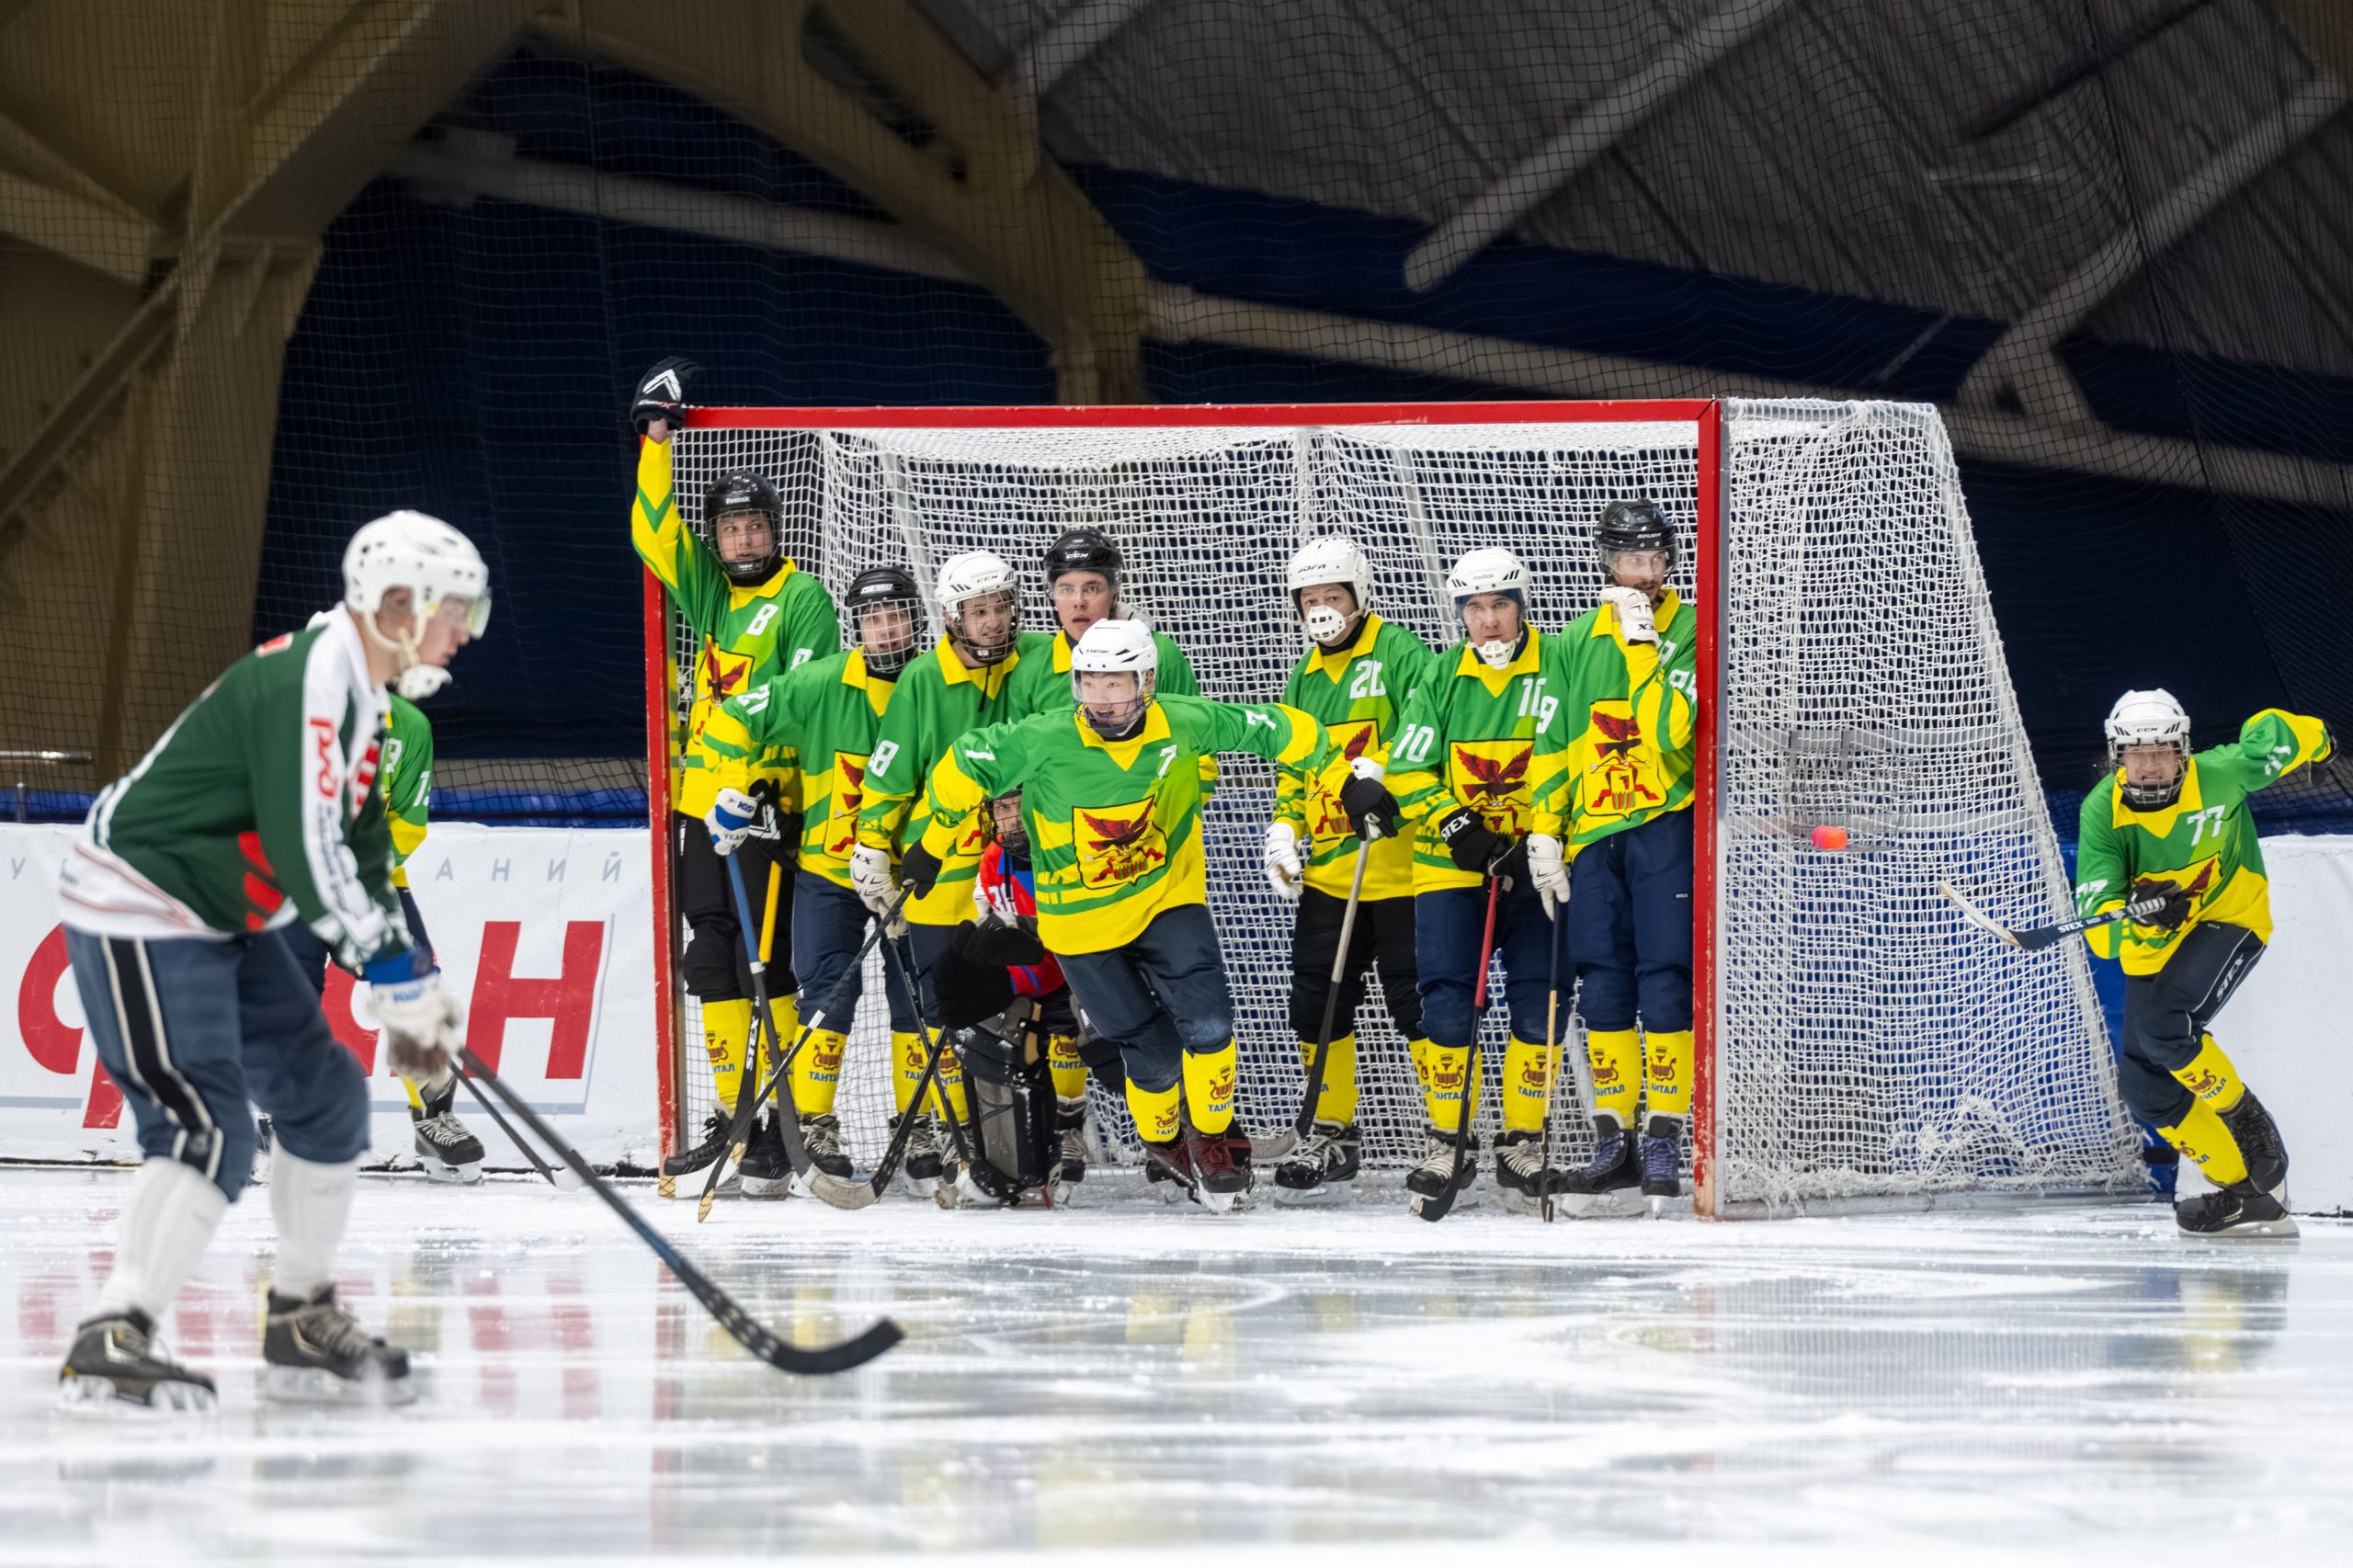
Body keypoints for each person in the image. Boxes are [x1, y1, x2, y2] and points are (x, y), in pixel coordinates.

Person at [52, 511, 486, 1411]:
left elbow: (363, 849)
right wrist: (388, 972)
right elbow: (305, 847)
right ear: (396, 604)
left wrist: (406, 971)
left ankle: (298, 1316)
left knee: (325, 1096)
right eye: (455, 611)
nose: (464, 634)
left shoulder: (368, 698)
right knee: (206, 1126)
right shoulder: (312, 681)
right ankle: (111, 1333)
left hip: (219, 913)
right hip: (141, 902)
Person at [906, 620, 1379, 1211]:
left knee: (1210, 1025)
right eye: (1090, 683)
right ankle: (1164, 1140)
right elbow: (963, 763)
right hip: (1079, 923)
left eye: (1116, 683)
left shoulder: (1184, 721)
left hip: (1164, 898)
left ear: (1147, 683)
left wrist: (1344, 782)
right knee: (1150, 1050)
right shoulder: (1042, 737)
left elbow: (1287, 729)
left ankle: (1212, 1139)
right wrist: (931, 844)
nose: (1102, 698)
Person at [630, 359, 839, 1174]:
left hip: (765, 806)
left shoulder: (802, 599)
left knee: (769, 961)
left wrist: (762, 787)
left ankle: (784, 1122)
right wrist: (656, 440)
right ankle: (736, 1115)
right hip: (700, 803)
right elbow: (655, 535)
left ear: (775, 531)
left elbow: (809, 697)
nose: (743, 540)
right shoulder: (713, 594)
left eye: (755, 527)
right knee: (713, 953)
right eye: (730, 530)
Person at [696, 566, 931, 1196]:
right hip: (830, 872)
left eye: (896, 615)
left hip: (912, 874)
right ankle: (815, 1125)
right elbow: (733, 716)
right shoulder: (822, 682)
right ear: (857, 627)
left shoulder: (936, 685)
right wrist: (732, 788)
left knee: (919, 996)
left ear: (916, 620)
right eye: (873, 619)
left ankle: (919, 1126)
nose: (885, 629)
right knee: (827, 993)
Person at [2075, 690, 2332, 1237]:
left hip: (2231, 915)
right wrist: (2137, 916)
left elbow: (2274, 733)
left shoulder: (2221, 774)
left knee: (2166, 1027)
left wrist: (2322, 742)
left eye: (2161, 751)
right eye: (2136, 753)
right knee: (2143, 1086)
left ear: (2182, 750)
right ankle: (2250, 1195)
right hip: (2157, 946)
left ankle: (2248, 1121)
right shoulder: (2101, 811)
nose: (2149, 764)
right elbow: (2100, 931)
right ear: (2117, 756)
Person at [850, 551, 1051, 1181]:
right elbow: (890, 771)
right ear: (951, 617)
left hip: (1014, 868)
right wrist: (871, 845)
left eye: (1000, 608)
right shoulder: (921, 680)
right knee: (942, 1007)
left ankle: (1022, 1138)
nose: (992, 622)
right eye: (978, 611)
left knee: (1025, 1003)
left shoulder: (1038, 661)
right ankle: (948, 1127)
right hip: (938, 869)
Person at [1383, 547, 1571, 1214]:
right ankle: (1449, 1142)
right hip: (1451, 865)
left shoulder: (1559, 665)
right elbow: (1405, 768)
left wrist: (1542, 834)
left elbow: (1573, 755)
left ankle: (1522, 1141)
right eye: (1474, 608)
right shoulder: (1440, 675)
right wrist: (1459, 826)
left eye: (1499, 606)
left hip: (1538, 864)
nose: (1488, 621)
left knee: (1541, 997)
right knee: (1446, 1001)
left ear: (1522, 606)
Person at [1260, 536, 1441, 1202]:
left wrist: (1384, 766)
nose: (1321, 609)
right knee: (1316, 999)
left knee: (1415, 1002)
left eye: (1332, 596)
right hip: (1334, 873)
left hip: (1402, 870)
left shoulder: (1400, 652)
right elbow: (1293, 764)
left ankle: (1447, 1135)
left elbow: (1428, 726)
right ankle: (1332, 1132)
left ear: (1359, 596)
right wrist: (1286, 827)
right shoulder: (1303, 677)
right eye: (1309, 598)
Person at [1535, 498, 1699, 1203]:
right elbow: (1554, 743)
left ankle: (1662, 1140)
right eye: (1629, 560)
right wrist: (1545, 830)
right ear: (1607, 563)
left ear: (1669, 561)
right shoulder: (1575, 640)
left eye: (1653, 559)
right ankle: (1614, 1144)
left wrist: (1642, 648)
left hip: (1665, 826)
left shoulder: (1691, 628)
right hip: (1594, 837)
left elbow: (1670, 733)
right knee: (1602, 986)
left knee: (1665, 981)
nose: (1642, 574)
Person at [276, 685, 483, 1183]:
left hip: (374, 882)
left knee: (416, 988)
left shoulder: (410, 726)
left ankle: (432, 1118)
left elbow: (408, 822)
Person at [927, 789, 1128, 1202]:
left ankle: (1074, 1128)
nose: (1013, 819)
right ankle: (1001, 1145)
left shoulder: (1069, 846)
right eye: (1003, 808)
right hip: (1032, 978)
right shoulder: (992, 860)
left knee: (1086, 1025)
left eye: (1020, 807)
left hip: (1083, 969)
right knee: (985, 1018)